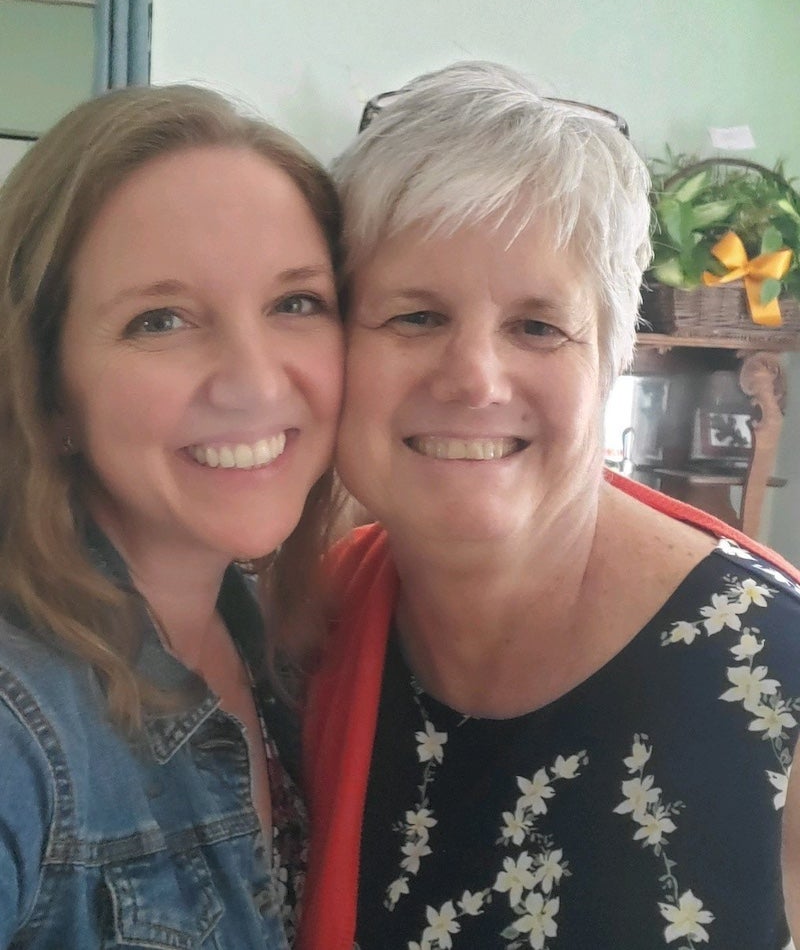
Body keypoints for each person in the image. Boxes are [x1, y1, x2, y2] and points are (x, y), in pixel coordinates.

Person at [300, 62, 800, 950]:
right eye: (414, 317)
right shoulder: (307, 630)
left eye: (538, 326)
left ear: (610, 358)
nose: (473, 379)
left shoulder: (777, 678)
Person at [0, 83, 343, 948]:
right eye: (161, 320)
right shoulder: (18, 722)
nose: (257, 383)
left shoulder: (278, 637)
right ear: (47, 388)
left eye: (295, 302)